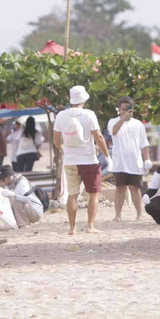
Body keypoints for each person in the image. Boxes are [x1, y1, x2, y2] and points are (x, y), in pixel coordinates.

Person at [53, 85, 112, 235]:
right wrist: (107, 156)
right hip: (88, 161)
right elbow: (98, 137)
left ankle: (72, 228)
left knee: (72, 195)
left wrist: (64, 149)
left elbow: (55, 140)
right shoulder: (89, 114)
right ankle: (90, 226)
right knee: (93, 194)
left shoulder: (61, 115)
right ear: (84, 99)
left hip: (70, 161)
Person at [107, 97, 152, 222]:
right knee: (120, 188)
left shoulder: (138, 124)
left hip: (135, 162)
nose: (125, 111)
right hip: (119, 162)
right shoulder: (113, 121)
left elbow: (144, 144)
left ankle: (139, 214)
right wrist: (122, 119)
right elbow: (113, 132)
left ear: (132, 109)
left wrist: (147, 160)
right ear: (119, 109)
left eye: (127, 109)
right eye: (122, 109)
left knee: (134, 188)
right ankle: (117, 215)